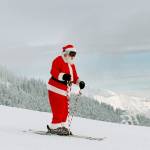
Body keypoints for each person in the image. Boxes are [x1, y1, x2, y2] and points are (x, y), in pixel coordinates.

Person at [47, 44, 85, 136]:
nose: (73, 56)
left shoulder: (72, 65)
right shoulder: (58, 60)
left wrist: (79, 82)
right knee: (58, 109)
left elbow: (74, 77)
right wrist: (63, 76)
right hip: (55, 89)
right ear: (66, 53)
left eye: (74, 54)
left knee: (64, 110)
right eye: (71, 54)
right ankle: (54, 127)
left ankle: (62, 126)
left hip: (65, 91)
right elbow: (53, 71)